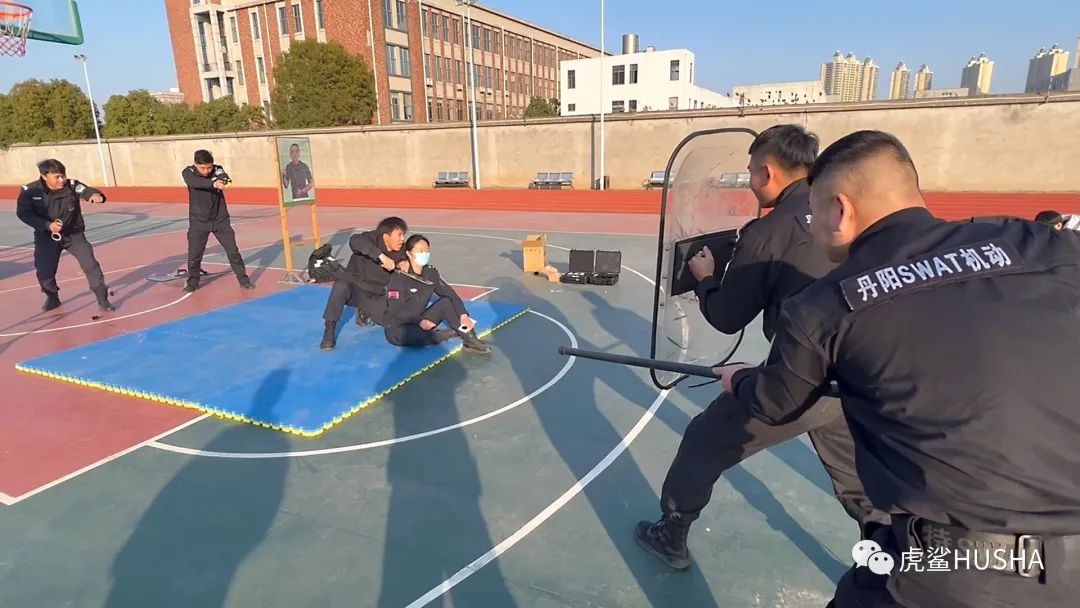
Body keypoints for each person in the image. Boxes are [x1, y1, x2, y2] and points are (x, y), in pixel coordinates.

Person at [714, 130, 1080, 607]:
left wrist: (739, 378)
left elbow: (775, 402)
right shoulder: (1038, 243)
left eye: (814, 211)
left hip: (958, 576)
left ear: (839, 210)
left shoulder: (825, 305)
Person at [635, 125, 887, 571]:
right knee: (855, 477)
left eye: (752, 171)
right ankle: (887, 552)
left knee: (704, 439)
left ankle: (671, 534)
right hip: (857, 373)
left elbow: (727, 316)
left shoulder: (769, 230)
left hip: (802, 373)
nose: (751, 180)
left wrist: (706, 278)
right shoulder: (845, 213)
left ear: (767, 172)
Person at [16, 159, 115, 312]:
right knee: (44, 271)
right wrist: (47, 225)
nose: (61, 180)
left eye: (63, 175)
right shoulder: (30, 191)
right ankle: (52, 296)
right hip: (47, 237)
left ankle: (103, 299)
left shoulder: (72, 185)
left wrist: (95, 195)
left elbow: (86, 190)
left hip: (74, 235)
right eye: (57, 177)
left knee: (90, 265)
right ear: (44, 176)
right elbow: (24, 213)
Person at [382, 234, 491, 354]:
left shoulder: (430, 273)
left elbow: (451, 294)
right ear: (409, 253)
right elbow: (397, 310)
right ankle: (449, 333)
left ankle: (470, 339)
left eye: (427, 251)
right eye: (420, 251)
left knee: (446, 302)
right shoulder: (399, 276)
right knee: (418, 336)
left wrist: (463, 315)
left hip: (419, 320)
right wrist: (419, 321)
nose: (425, 254)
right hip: (399, 326)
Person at [320, 216, 409, 350]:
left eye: (403, 235)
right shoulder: (370, 238)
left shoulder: (402, 249)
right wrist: (381, 256)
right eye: (399, 235)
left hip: (375, 294)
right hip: (354, 288)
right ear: (386, 236)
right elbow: (355, 241)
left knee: (390, 322)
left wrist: (404, 262)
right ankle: (329, 331)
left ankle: (364, 311)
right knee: (340, 285)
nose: (402, 239)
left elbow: (410, 258)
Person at [181, 150, 254, 292]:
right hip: (198, 221)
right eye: (202, 168)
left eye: (209, 167)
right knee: (194, 255)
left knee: (233, 251)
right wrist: (213, 183)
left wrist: (223, 180)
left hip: (220, 220)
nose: (206, 171)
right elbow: (194, 182)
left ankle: (243, 280)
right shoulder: (188, 172)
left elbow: (224, 176)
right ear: (195, 164)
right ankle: (192, 282)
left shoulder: (217, 169)